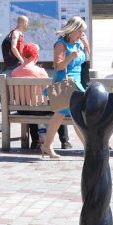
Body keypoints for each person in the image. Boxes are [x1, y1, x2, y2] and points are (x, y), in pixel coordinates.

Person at [40, 16, 89, 159]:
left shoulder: (78, 43)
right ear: (72, 30)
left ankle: (47, 146)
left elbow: (86, 60)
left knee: (65, 115)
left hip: (76, 82)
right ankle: (88, 147)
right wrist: (70, 57)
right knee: (74, 115)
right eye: (80, 31)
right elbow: (58, 66)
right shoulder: (61, 44)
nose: (82, 34)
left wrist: (86, 46)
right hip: (65, 83)